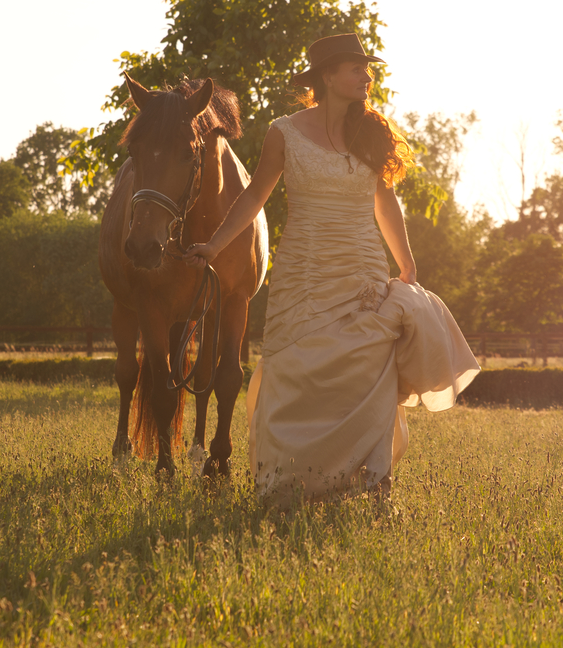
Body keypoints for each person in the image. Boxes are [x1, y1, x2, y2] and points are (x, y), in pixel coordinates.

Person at [184, 33, 479, 504]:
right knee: (300, 374)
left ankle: (372, 481)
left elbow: (385, 200)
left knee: (366, 368)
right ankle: (288, 484)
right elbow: (254, 196)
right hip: (304, 268)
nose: (367, 77)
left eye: (368, 69)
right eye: (356, 69)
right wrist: (215, 246)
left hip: (362, 265)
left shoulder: (373, 131)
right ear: (326, 76)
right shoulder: (284, 132)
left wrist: (406, 262)